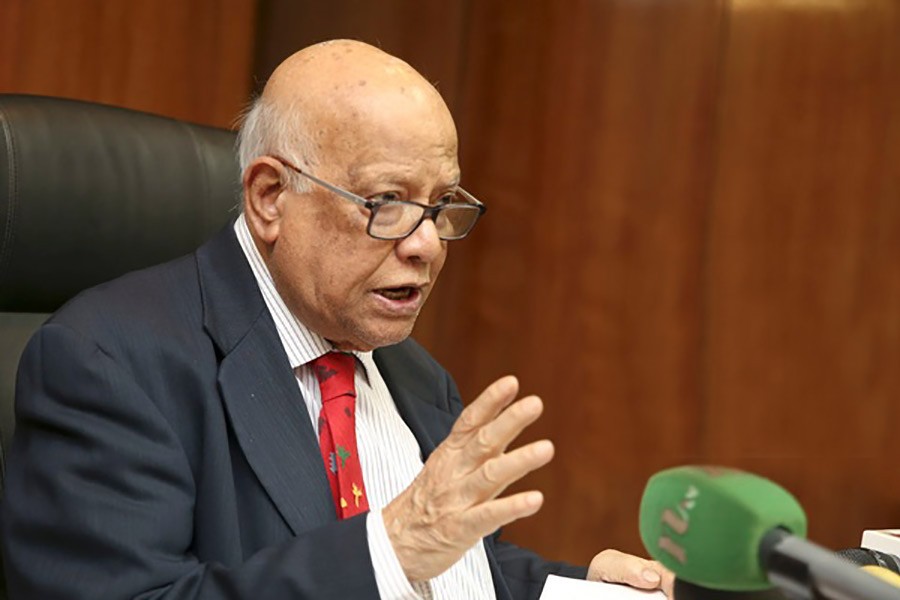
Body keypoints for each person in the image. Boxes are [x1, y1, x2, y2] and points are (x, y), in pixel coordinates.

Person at [0, 40, 674, 599]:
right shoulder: (109, 361)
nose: (426, 244)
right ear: (271, 197)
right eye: (386, 201)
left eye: (440, 204)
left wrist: (577, 591)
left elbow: (453, 568)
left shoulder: (414, 377)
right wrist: (389, 552)